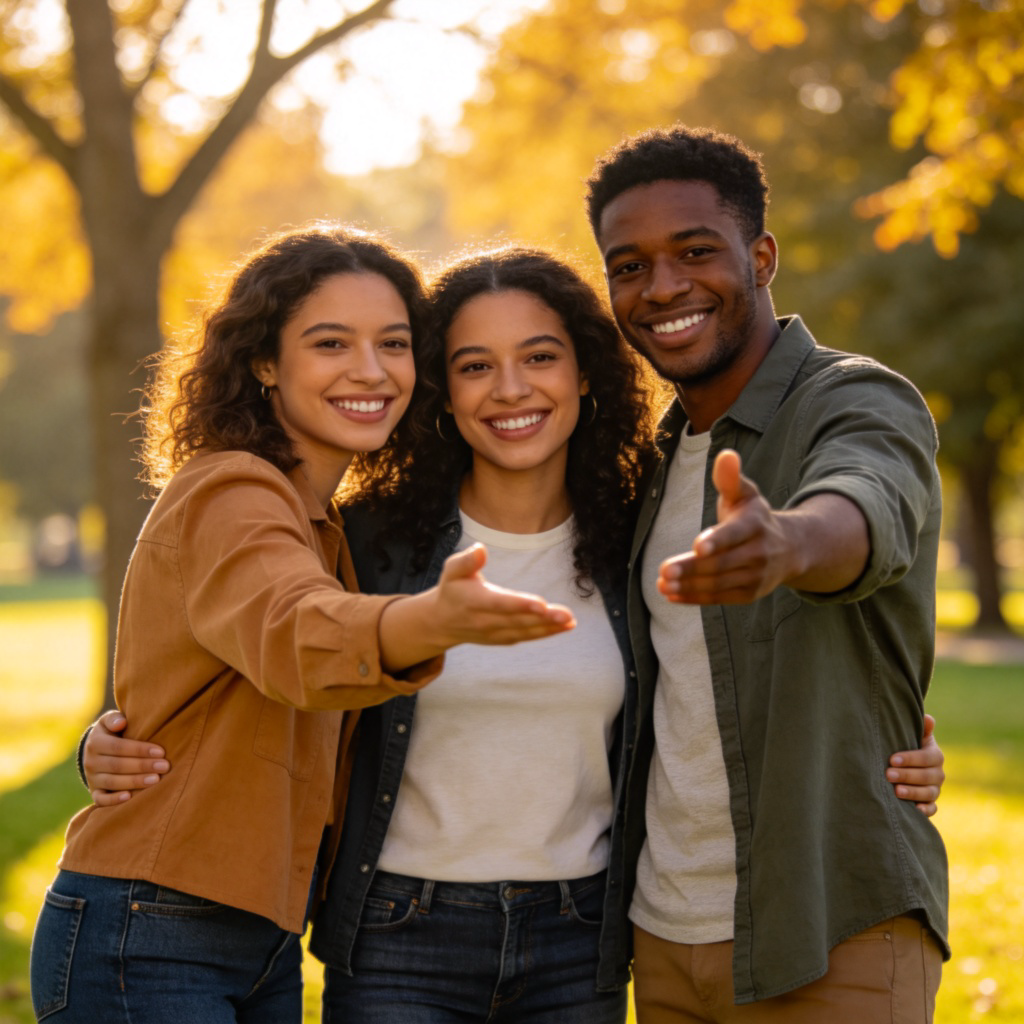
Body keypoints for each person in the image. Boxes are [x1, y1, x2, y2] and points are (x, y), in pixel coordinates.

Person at [79, 244, 945, 1022]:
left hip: (579, 938)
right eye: (473, 365)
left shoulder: (634, 534)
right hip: (395, 935)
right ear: (443, 390)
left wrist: (878, 749)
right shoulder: (367, 537)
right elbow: (287, 634)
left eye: (540, 357)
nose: (512, 389)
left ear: (586, 375)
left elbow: (703, 689)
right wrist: (115, 740)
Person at [29, 226, 575, 1024]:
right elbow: (294, 632)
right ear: (263, 363)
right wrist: (431, 618)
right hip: (151, 930)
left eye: (393, 343)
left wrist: (99, 739)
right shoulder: (234, 493)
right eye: (330, 343)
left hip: (256, 939)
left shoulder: (321, 524)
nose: (370, 370)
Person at [585, 124, 949, 1022]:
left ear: (762, 256)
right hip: (664, 938)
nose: (662, 286)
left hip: (832, 929)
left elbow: (868, 500)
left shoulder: (856, 397)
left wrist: (784, 545)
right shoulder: (653, 458)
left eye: (695, 252)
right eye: (628, 266)